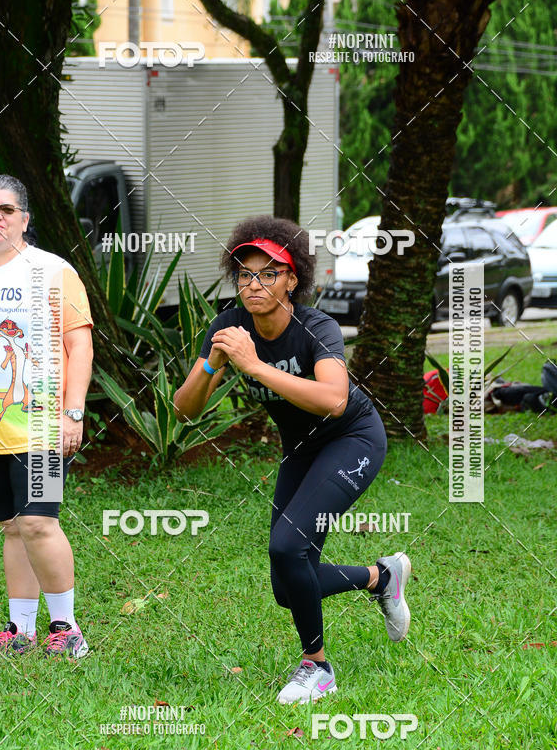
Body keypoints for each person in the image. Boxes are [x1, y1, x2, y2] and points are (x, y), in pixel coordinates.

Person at [174, 216, 411, 705]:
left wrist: (255, 365)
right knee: (288, 587)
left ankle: (317, 668)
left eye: (269, 272)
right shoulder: (229, 327)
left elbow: (334, 399)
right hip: (301, 451)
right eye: (245, 274)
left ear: (292, 278)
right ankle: (380, 576)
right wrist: (212, 365)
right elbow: (184, 408)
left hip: (352, 440)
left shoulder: (315, 327)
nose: (254, 284)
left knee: (287, 547)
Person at [0, 174, 93, 659]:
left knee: (38, 522)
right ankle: (21, 630)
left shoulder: (53, 270)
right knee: (13, 526)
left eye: (7, 209)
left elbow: (80, 343)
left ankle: (67, 626)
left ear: (25, 219)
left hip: (40, 425)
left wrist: (72, 413)